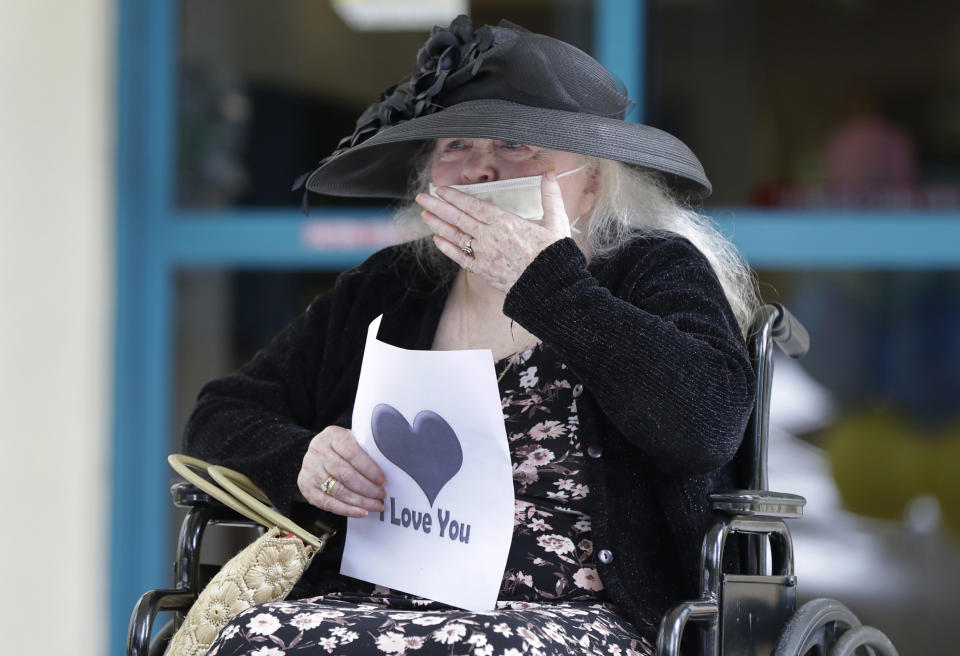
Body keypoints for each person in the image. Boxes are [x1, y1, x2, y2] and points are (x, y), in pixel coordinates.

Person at [185, 16, 758, 656]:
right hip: (380, 611)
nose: (482, 170)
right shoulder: (393, 286)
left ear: (593, 179)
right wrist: (304, 460)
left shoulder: (654, 268)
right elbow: (220, 414)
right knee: (255, 637)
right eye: (456, 146)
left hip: (576, 617)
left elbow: (705, 424)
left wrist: (546, 282)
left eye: (519, 143)